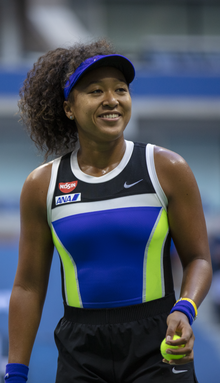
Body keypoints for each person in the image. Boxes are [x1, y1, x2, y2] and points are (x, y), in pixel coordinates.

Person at [5, 39, 212, 383]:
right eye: (95, 91)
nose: (112, 100)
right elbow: (28, 286)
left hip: (158, 342)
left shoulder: (166, 168)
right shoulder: (42, 184)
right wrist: (15, 373)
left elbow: (199, 260)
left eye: (120, 89)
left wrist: (185, 309)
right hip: (79, 350)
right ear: (69, 108)